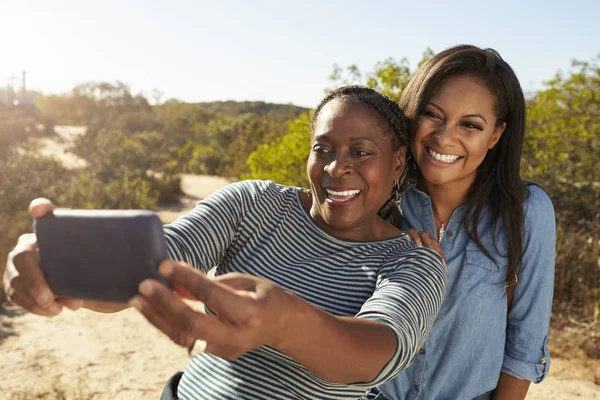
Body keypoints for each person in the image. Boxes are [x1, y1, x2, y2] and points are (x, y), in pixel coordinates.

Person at [4, 86, 447, 400]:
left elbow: (375, 353)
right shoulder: (254, 204)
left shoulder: (413, 261)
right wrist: (64, 269)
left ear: (397, 162)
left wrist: (284, 324)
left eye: (361, 152)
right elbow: (154, 262)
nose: (336, 168)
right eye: (323, 148)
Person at [370, 45, 556, 400]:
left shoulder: (528, 212)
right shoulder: (376, 198)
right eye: (432, 115)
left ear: (496, 135)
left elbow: (524, 346)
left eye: (470, 124)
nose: (444, 137)